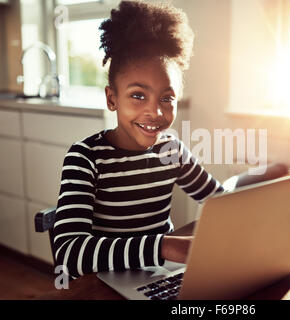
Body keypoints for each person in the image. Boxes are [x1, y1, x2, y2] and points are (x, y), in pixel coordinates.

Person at [53, 0, 224, 279]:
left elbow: (220, 203)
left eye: (166, 99)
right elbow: (70, 255)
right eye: (137, 95)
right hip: (104, 284)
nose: (155, 112)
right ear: (112, 98)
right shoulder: (85, 158)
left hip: (158, 277)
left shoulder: (172, 151)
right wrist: (164, 246)